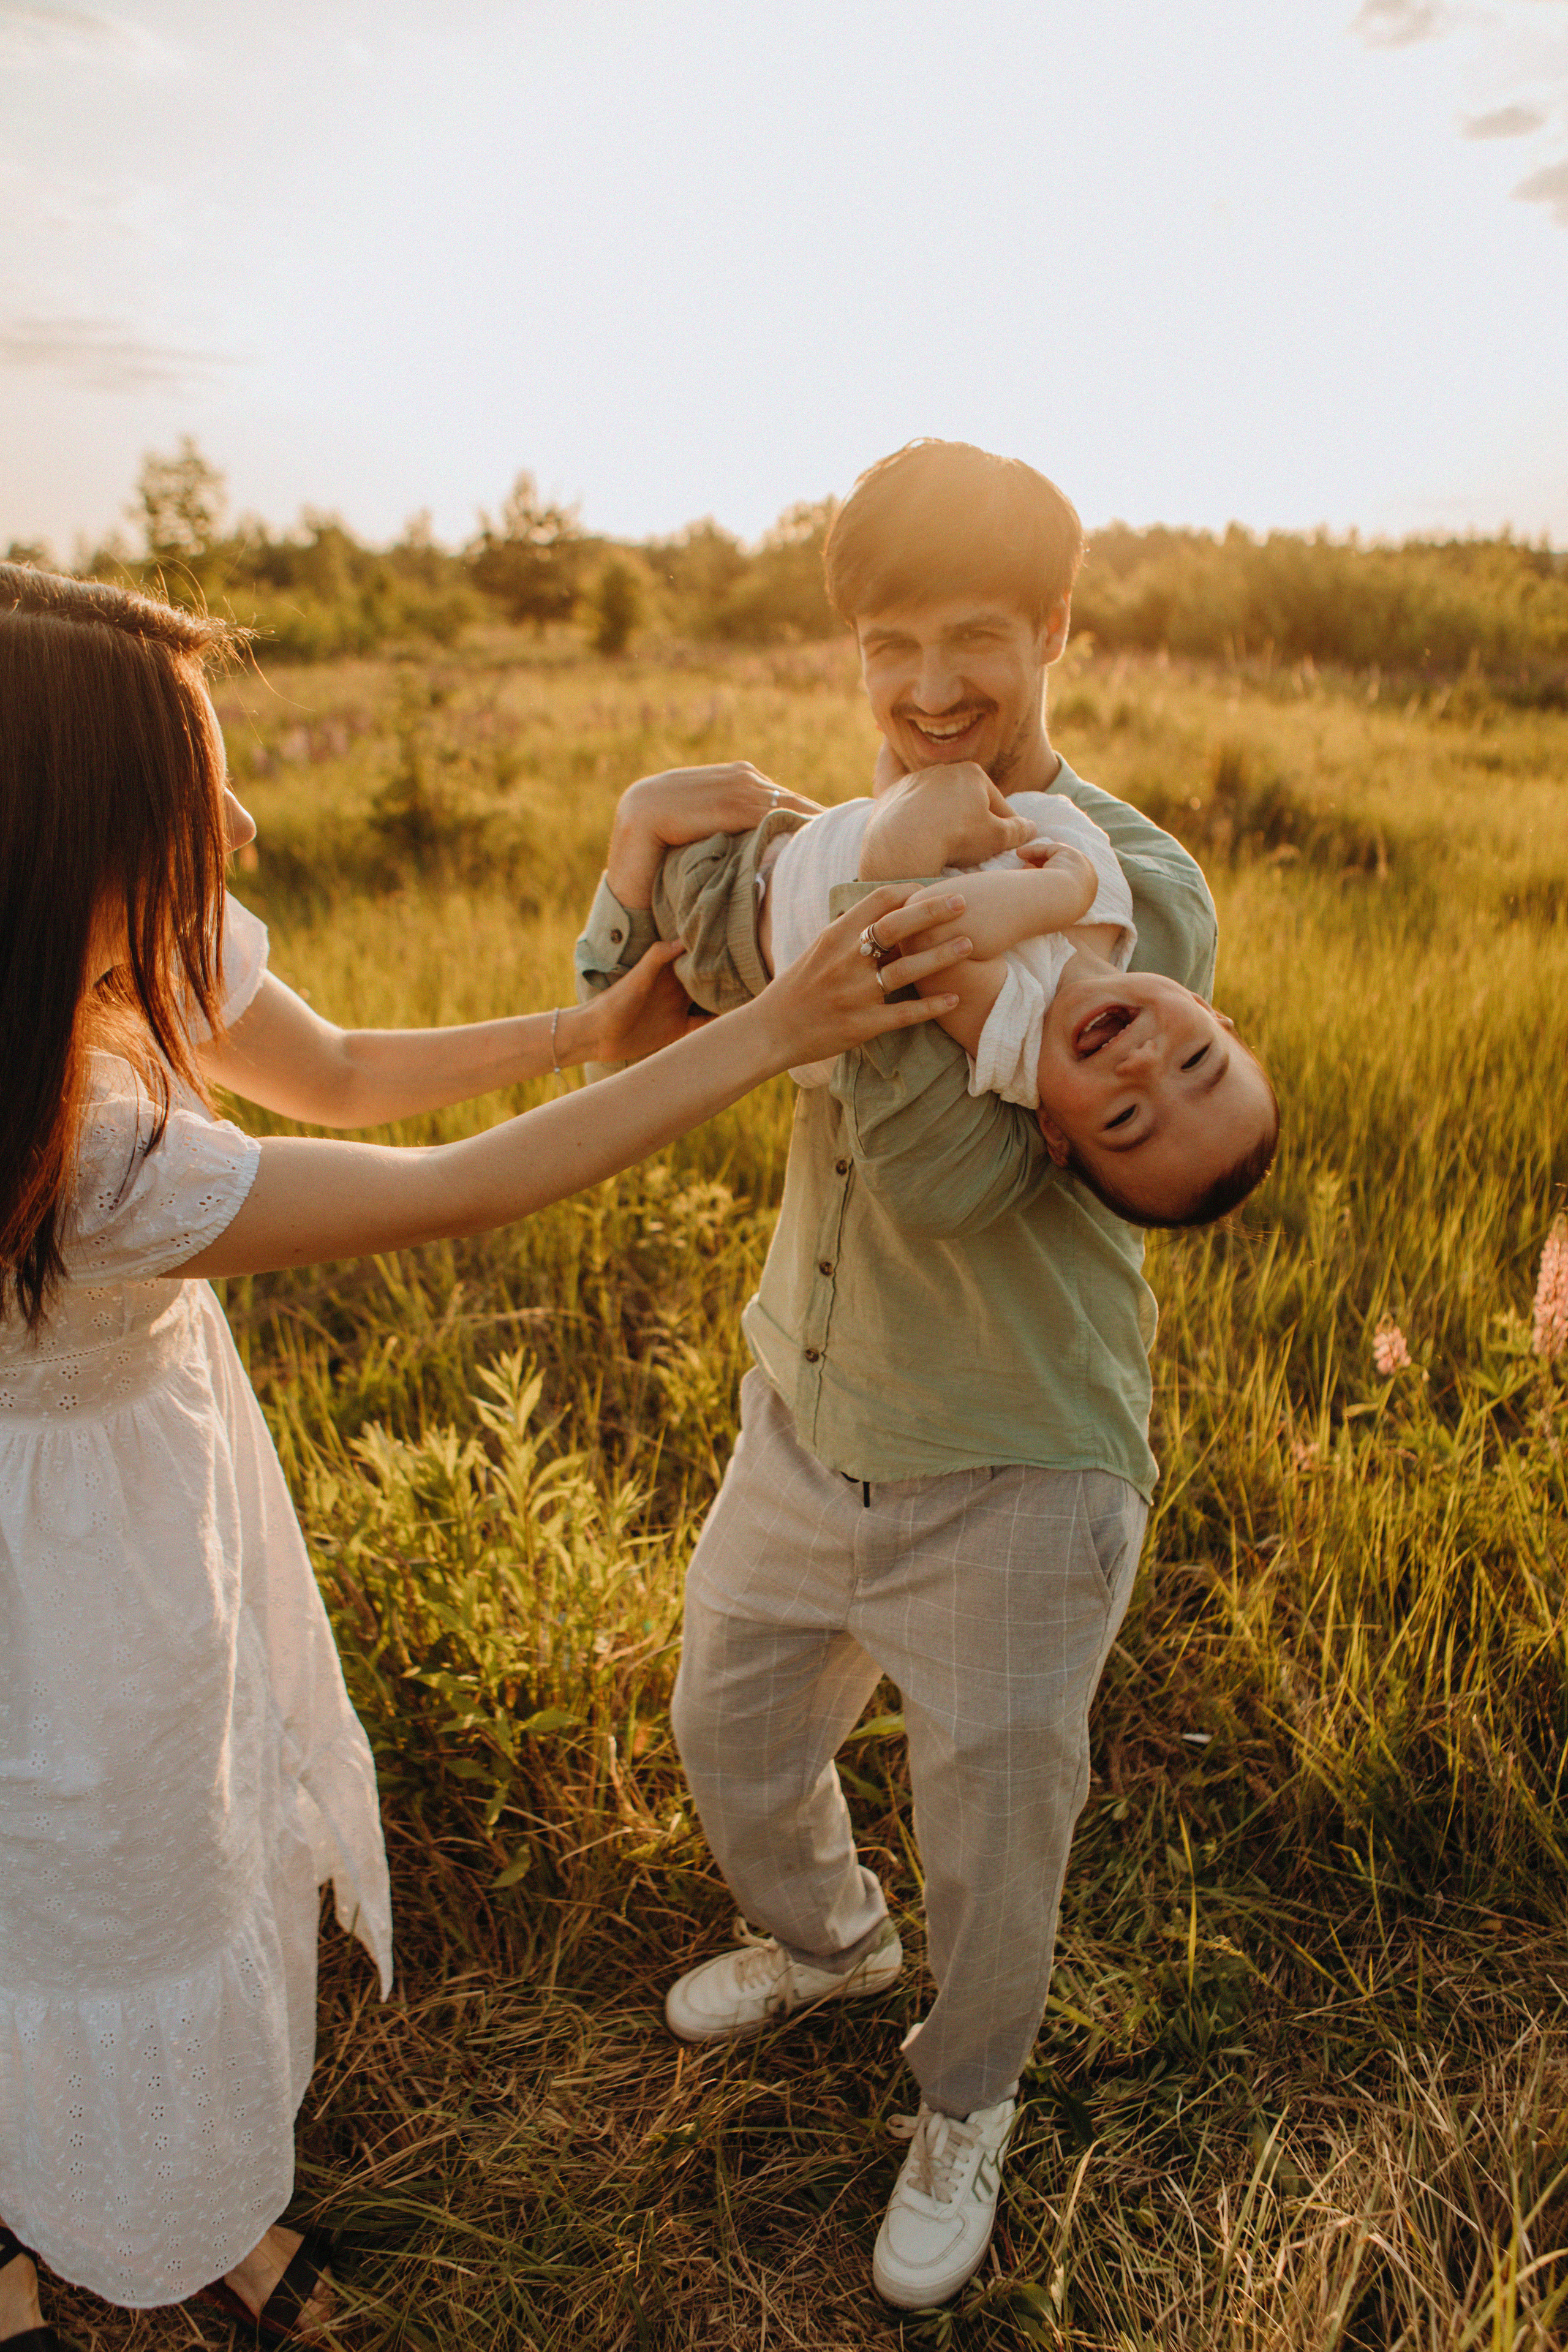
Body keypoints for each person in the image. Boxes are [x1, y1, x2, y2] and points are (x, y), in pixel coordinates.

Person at [0, 565, 970, 2349]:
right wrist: (778, 1027)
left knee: (153, 1834)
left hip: (147, 1505)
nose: (243, 816)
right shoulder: (93, 1156)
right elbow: (452, 1189)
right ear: (78, 834)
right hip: (44, 1545)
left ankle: (171, 2195)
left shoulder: (125, 935)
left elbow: (351, 1069)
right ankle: (37, 2203)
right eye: (193, 790)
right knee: (51, 1867)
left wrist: (586, 1030)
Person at [575, 439, 1257, 2311]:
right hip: (805, 1408)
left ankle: (966, 2094)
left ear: (1055, 631)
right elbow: (636, 980)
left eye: (977, 636)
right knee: (730, 1731)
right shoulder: (832, 845)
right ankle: (824, 1939)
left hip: (1014, 1461)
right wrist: (647, 838)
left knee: (995, 1824)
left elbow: (962, 1178)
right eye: (891, 643)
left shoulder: (1130, 894)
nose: (932, 685)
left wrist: (822, 935)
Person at [609, 754, 1278, 1228]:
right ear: (1205, 1009)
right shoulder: (1118, 912)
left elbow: (928, 926)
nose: (1142, 1066)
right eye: (1195, 1062)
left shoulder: (1013, 1035)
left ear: (1053, 1132)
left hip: (726, 922)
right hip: (799, 849)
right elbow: (1020, 814)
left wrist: (1063, 889)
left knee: (623, 963)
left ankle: (594, 1001)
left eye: (1124, 1118)